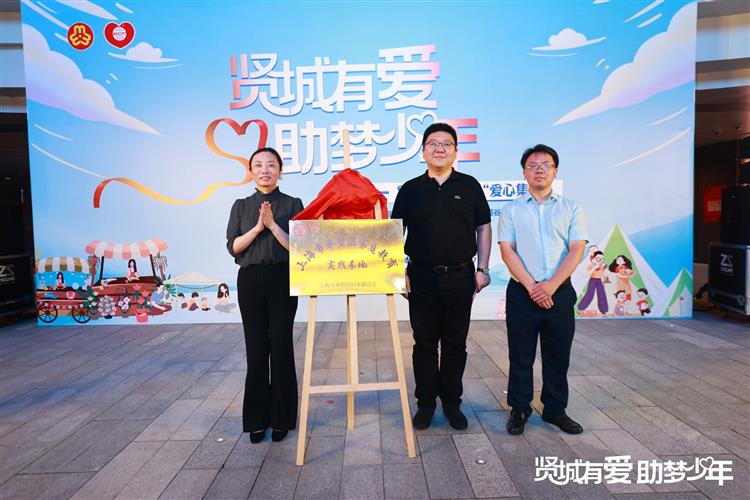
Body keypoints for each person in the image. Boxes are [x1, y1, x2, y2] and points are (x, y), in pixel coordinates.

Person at [391, 123, 492, 431]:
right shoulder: (410, 189)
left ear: (455, 151)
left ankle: (451, 402)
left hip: (460, 276)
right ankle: (425, 404)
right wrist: (397, 273)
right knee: (424, 343)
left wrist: (483, 269)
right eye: (433, 143)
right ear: (423, 151)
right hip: (420, 276)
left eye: (446, 144)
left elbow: (483, 227)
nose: (439, 148)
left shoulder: (469, 186)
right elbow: (394, 234)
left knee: (455, 343)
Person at [498, 144, 587, 436]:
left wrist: (550, 286)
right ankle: (519, 409)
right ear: (524, 172)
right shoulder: (511, 210)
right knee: (520, 356)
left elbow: (576, 250)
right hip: (522, 293)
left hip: (559, 292)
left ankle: (555, 410)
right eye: (533, 165)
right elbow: (508, 251)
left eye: (545, 164)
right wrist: (533, 287)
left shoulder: (571, 208)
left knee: (557, 355)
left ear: (555, 171)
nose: (539, 169)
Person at [226, 146, 303, 443]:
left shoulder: (293, 204)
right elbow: (234, 247)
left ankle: (282, 418)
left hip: (283, 278)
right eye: (258, 165)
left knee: (281, 347)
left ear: (280, 171)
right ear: (251, 172)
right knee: (256, 350)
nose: (265, 170)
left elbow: (300, 247)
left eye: (271, 165)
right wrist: (258, 227)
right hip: (250, 280)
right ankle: (256, 419)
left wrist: (273, 226)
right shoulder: (241, 206)